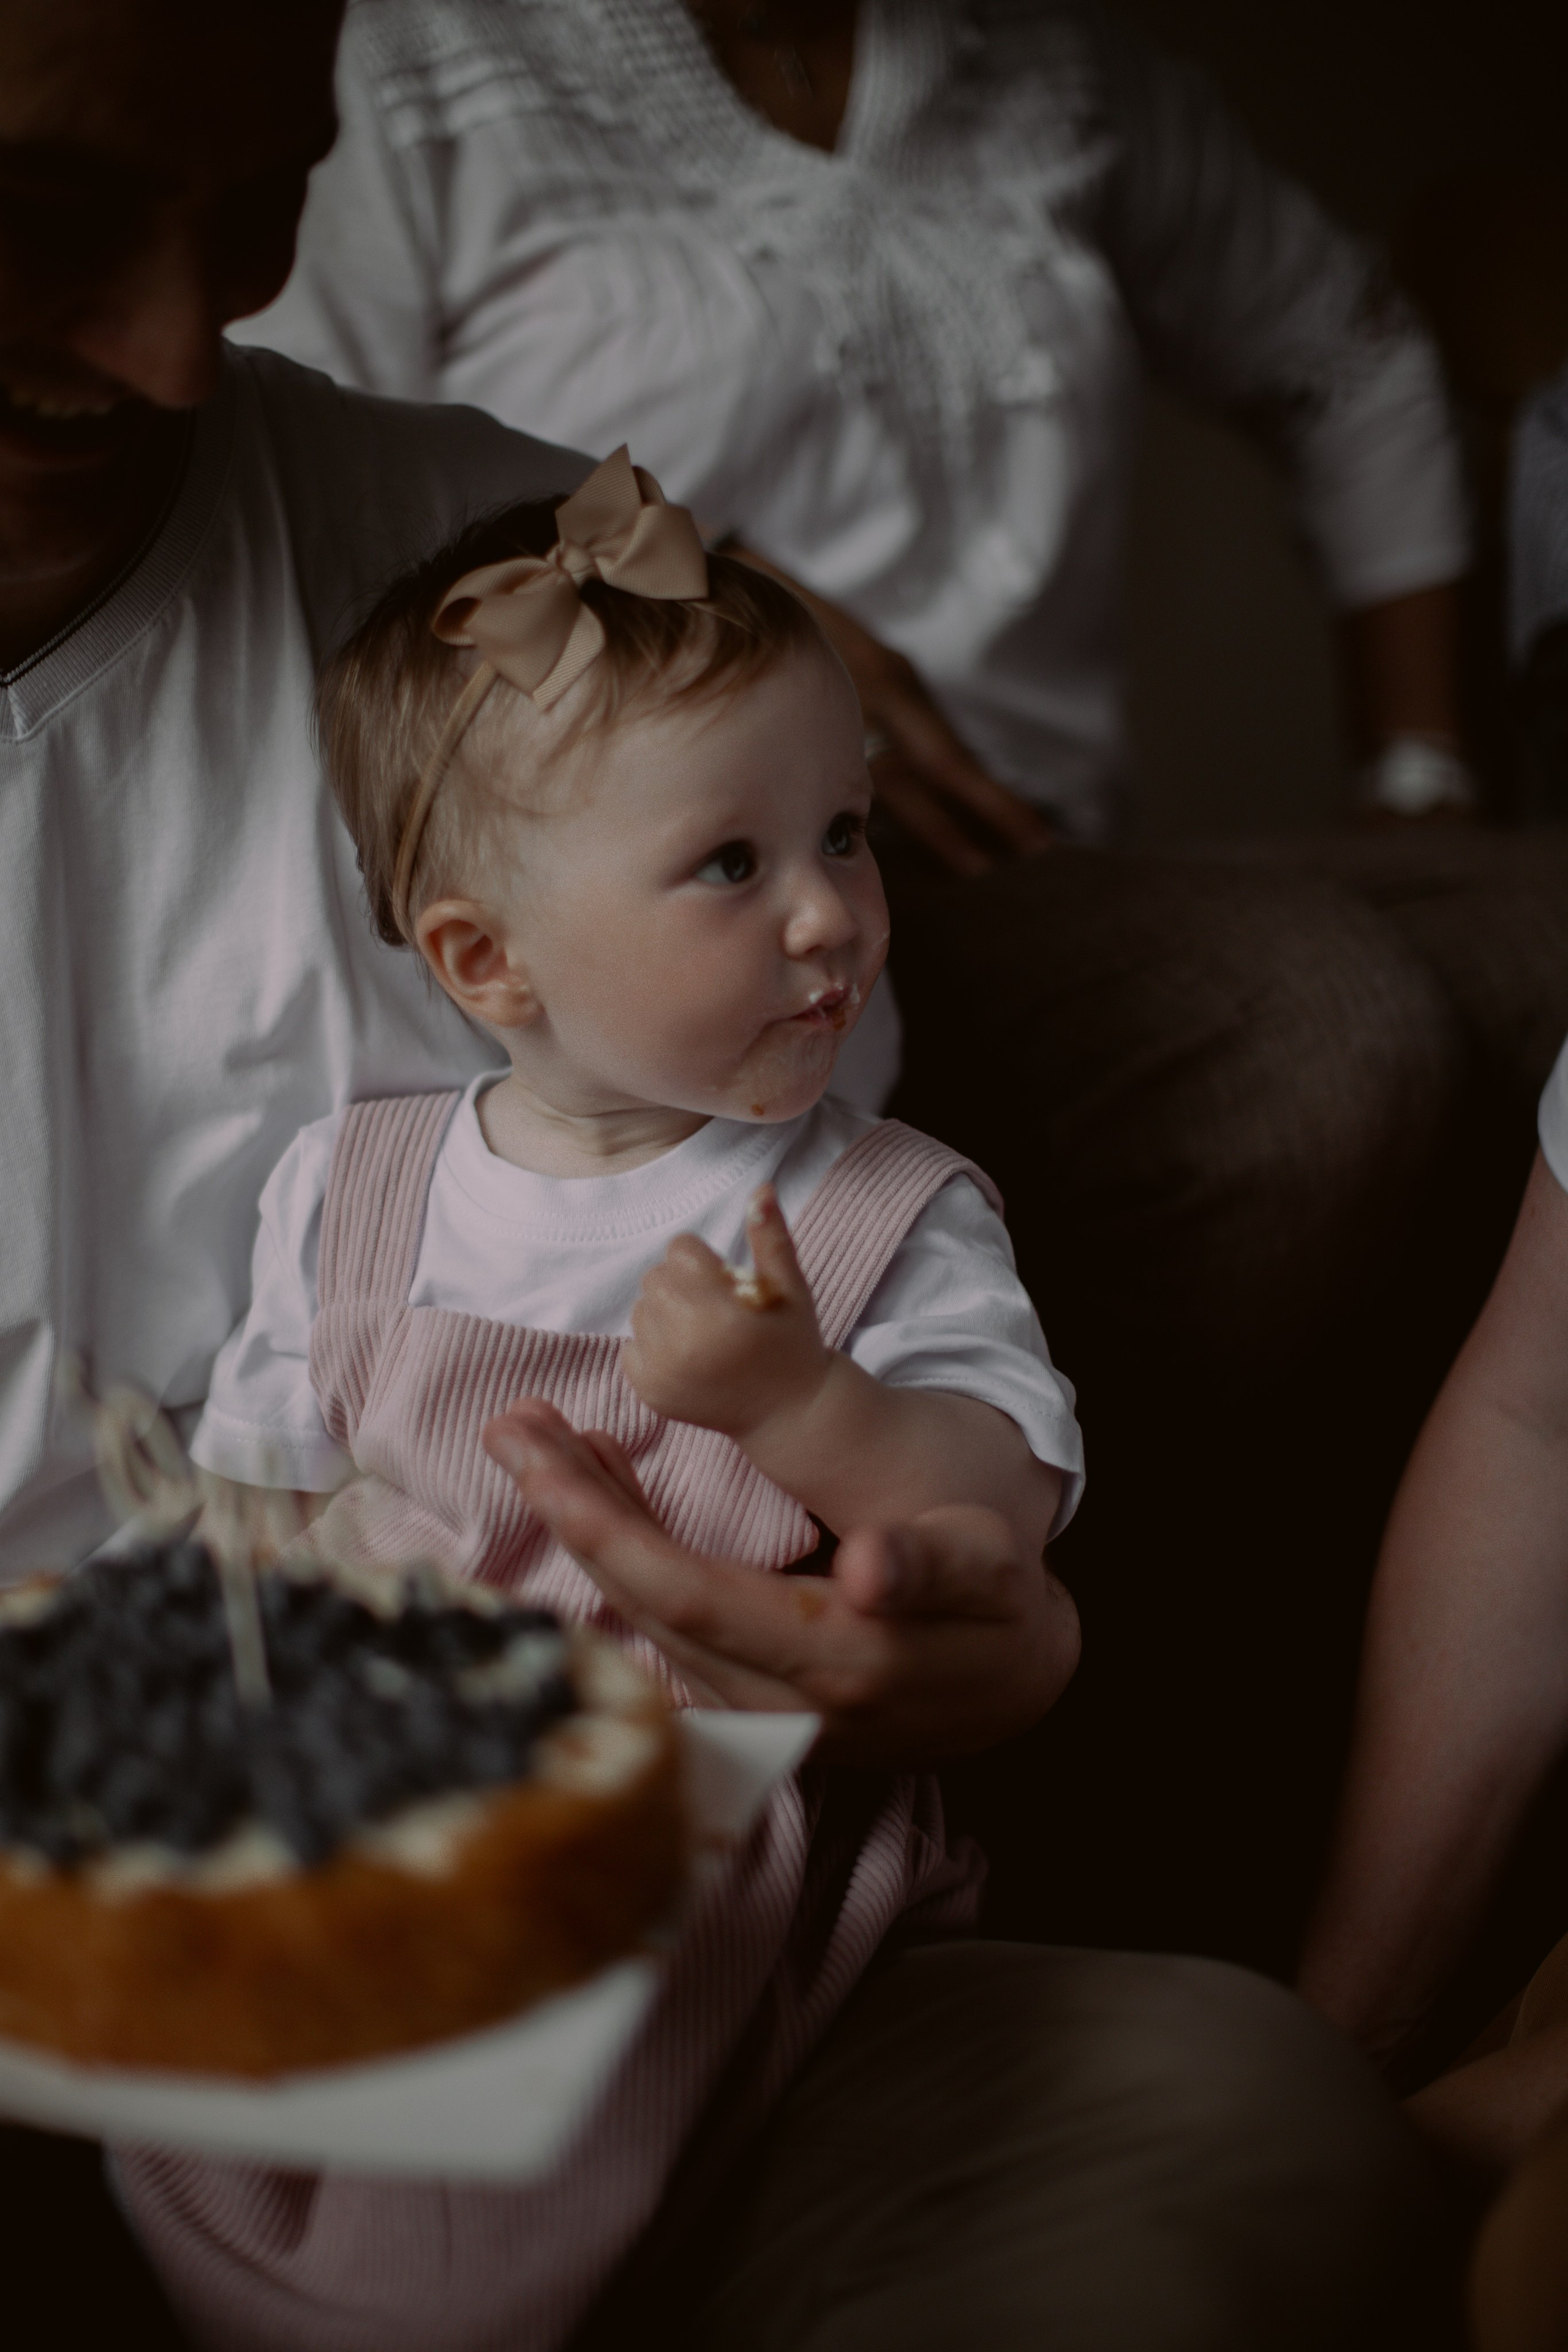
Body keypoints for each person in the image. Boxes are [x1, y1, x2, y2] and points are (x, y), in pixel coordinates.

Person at [0, 2, 1453, 2343]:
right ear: (467, 954)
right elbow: (264, 1449)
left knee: (1226, 2142)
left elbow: (940, 1404)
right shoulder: (361, 1190)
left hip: (627, 1852)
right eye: (46, 214)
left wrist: (925, 1556)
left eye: (261, 200)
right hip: (215, 1835)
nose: (189, 349)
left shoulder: (491, 586)